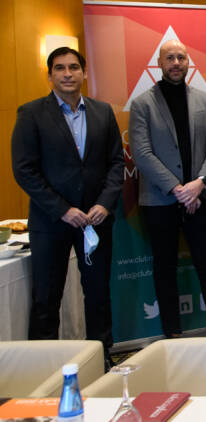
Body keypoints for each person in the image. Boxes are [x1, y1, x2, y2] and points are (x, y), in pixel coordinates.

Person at [11, 47, 123, 354]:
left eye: (73, 67)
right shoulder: (31, 113)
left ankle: (102, 359)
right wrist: (62, 210)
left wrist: (104, 203)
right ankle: (40, 364)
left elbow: (116, 163)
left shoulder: (102, 112)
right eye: (59, 68)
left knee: (98, 294)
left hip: (96, 220)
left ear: (84, 73)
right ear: (50, 76)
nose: (67, 73)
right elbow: (24, 170)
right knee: (47, 297)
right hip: (51, 222)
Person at [129, 40, 206, 338]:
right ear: (159, 64)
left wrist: (199, 185)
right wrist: (178, 189)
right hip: (160, 201)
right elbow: (142, 153)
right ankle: (172, 335)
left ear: (189, 63)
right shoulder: (142, 104)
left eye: (181, 57)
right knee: (165, 269)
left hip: (200, 198)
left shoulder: (204, 101)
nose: (176, 62)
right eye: (170, 58)